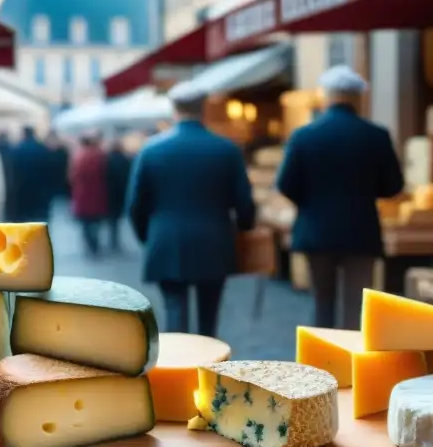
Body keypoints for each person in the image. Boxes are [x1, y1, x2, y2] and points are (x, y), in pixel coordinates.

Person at [276, 65, 404, 329]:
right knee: (356, 306)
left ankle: (320, 361)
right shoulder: (376, 135)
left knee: (321, 302)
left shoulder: (303, 136)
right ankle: (350, 364)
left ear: (326, 96)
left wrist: (310, 203)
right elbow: (393, 186)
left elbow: (285, 184)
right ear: (358, 97)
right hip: (361, 231)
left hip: (316, 232)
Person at [126, 84, 255, 337]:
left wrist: (148, 237)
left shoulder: (151, 150)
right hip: (214, 240)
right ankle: (208, 369)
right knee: (210, 316)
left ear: (174, 109)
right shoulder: (227, 149)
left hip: (166, 239)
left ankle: (181, 371)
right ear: (204, 107)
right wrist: (244, 229)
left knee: (175, 311)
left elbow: (135, 206)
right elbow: (244, 203)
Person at [70, 131, 109, 256]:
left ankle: (90, 244)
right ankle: (95, 244)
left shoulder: (78, 157)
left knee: (86, 223)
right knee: (95, 222)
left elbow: (72, 177)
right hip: (97, 193)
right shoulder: (99, 155)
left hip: (82, 194)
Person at [11, 126, 55, 223]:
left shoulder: (17, 150)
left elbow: (13, 173)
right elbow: (50, 173)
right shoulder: (43, 149)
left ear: (24, 134)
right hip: (40, 194)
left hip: (23, 193)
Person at [105, 136, 132, 252]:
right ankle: (114, 242)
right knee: (115, 219)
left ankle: (113, 241)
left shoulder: (107, 159)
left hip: (109, 193)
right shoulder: (124, 159)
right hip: (120, 193)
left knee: (112, 219)